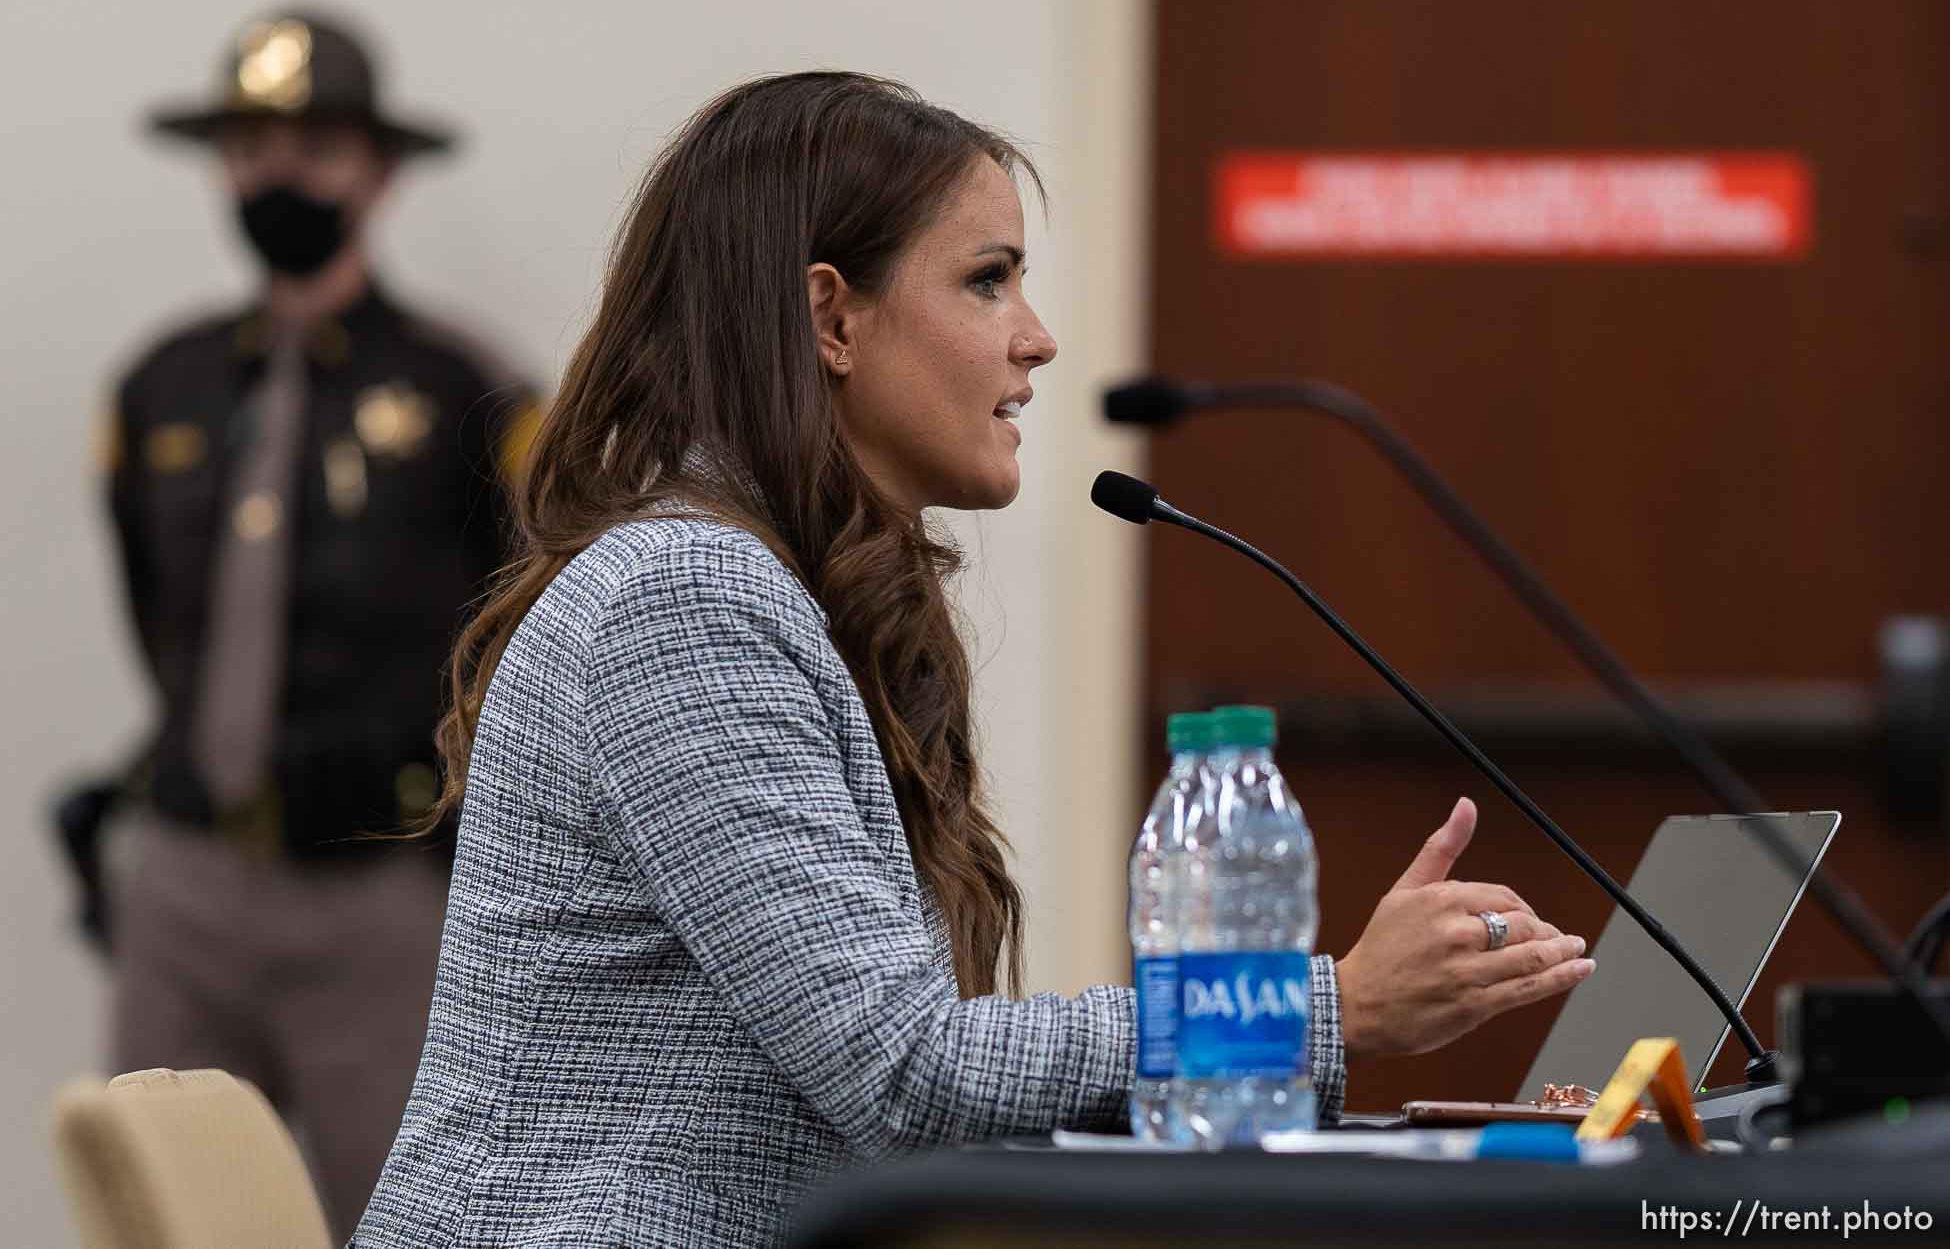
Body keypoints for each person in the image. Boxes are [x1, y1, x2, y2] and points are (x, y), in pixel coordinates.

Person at [354, 72, 1593, 1248]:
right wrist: (1325, 1011)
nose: (1039, 339)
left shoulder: (786, 591)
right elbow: (903, 1074)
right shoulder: (684, 600)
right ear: (832, 316)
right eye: (989, 281)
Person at [90, 8, 539, 1237]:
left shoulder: (468, 394)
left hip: (375, 886)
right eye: (249, 145)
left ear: (379, 169)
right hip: (189, 882)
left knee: (403, 1214)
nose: (278, 174)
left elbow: (522, 628)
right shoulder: (160, 387)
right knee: (154, 1206)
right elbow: (154, 611)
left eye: (316, 145)